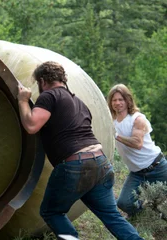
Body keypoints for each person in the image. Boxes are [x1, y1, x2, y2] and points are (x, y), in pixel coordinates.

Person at [17, 61, 144, 240]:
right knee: (112, 216)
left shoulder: (49, 96)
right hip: (100, 163)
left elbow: (31, 125)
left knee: (51, 212)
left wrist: (23, 100)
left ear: (43, 80)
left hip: (75, 165)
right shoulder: (79, 102)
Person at [107, 83, 167, 217]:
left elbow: (137, 143)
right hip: (137, 173)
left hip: (158, 168)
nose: (117, 103)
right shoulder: (111, 122)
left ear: (128, 100)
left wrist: (115, 135)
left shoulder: (137, 118)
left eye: (120, 99)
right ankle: (145, 217)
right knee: (124, 203)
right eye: (114, 100)